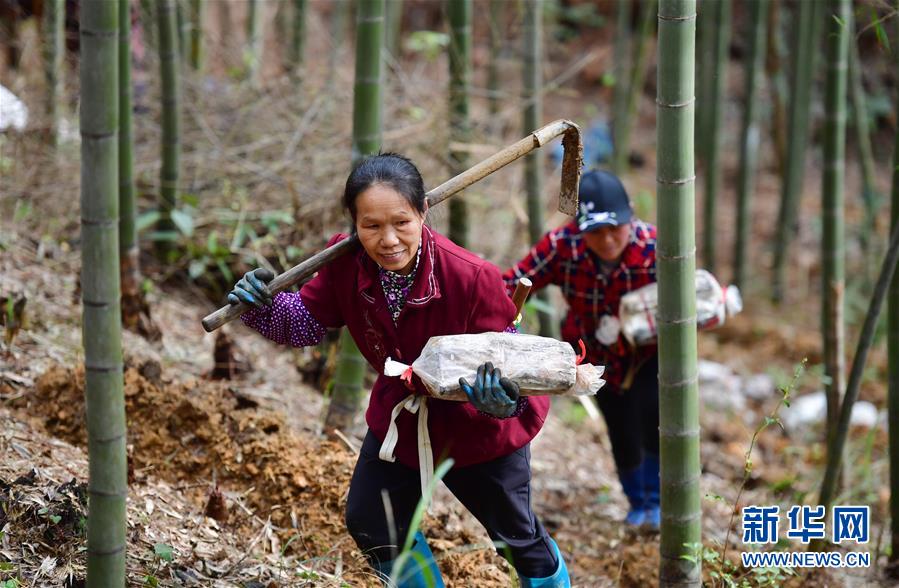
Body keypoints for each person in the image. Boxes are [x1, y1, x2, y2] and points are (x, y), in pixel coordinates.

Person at [229, 153, 570, 587]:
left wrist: (502, 401)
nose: (388, 240)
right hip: (404, 416)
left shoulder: (471, 277)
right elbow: (304, 323)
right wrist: (262, 304)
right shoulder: (344, 264)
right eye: (371, 226)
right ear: (354, 222)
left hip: (477, 424)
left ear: (423, 211)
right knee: (374, 522)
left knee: (517, 539)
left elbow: (512, 362)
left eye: (402, 223)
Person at [503, 170, 660, 530]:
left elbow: (694, 299)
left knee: (653, 419)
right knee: (620, 427)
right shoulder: (563, 246)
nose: (607, 240)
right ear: (580, 229)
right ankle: (638, 503)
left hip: (650, 354)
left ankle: (658, 500)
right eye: (596, 232)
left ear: (631, 216)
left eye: (615, 229)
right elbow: (514, 283)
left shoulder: (655, 247)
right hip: (595, 355)